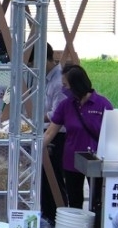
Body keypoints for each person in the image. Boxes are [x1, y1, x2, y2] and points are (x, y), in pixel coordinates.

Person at [43, 65, 109, 215]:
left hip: (97, 162)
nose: (63, 89)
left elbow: (113, 134)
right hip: (71, 162)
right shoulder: (65, 105)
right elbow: (50, 133)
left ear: (76, 85)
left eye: (65, 85)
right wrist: (34, 151)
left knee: (98, 200)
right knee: (74, 202)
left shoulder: (102, 105)